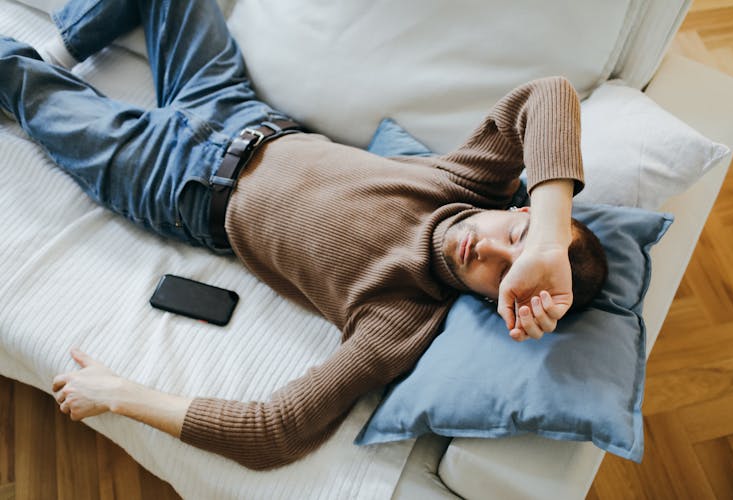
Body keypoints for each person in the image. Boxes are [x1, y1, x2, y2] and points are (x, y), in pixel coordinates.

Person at [0, 0, 607, 470]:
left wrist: (121, 394)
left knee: (10, 73)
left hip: (170, 182)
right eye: (518, 231)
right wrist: (549, 244)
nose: (495, 248)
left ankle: (29, 76)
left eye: (506, 271)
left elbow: (277, 432)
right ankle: (61, 48)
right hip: (236, 108)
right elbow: (549, 93)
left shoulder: (402, 318)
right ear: (524, 203)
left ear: (501, 303)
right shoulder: (467, 185)